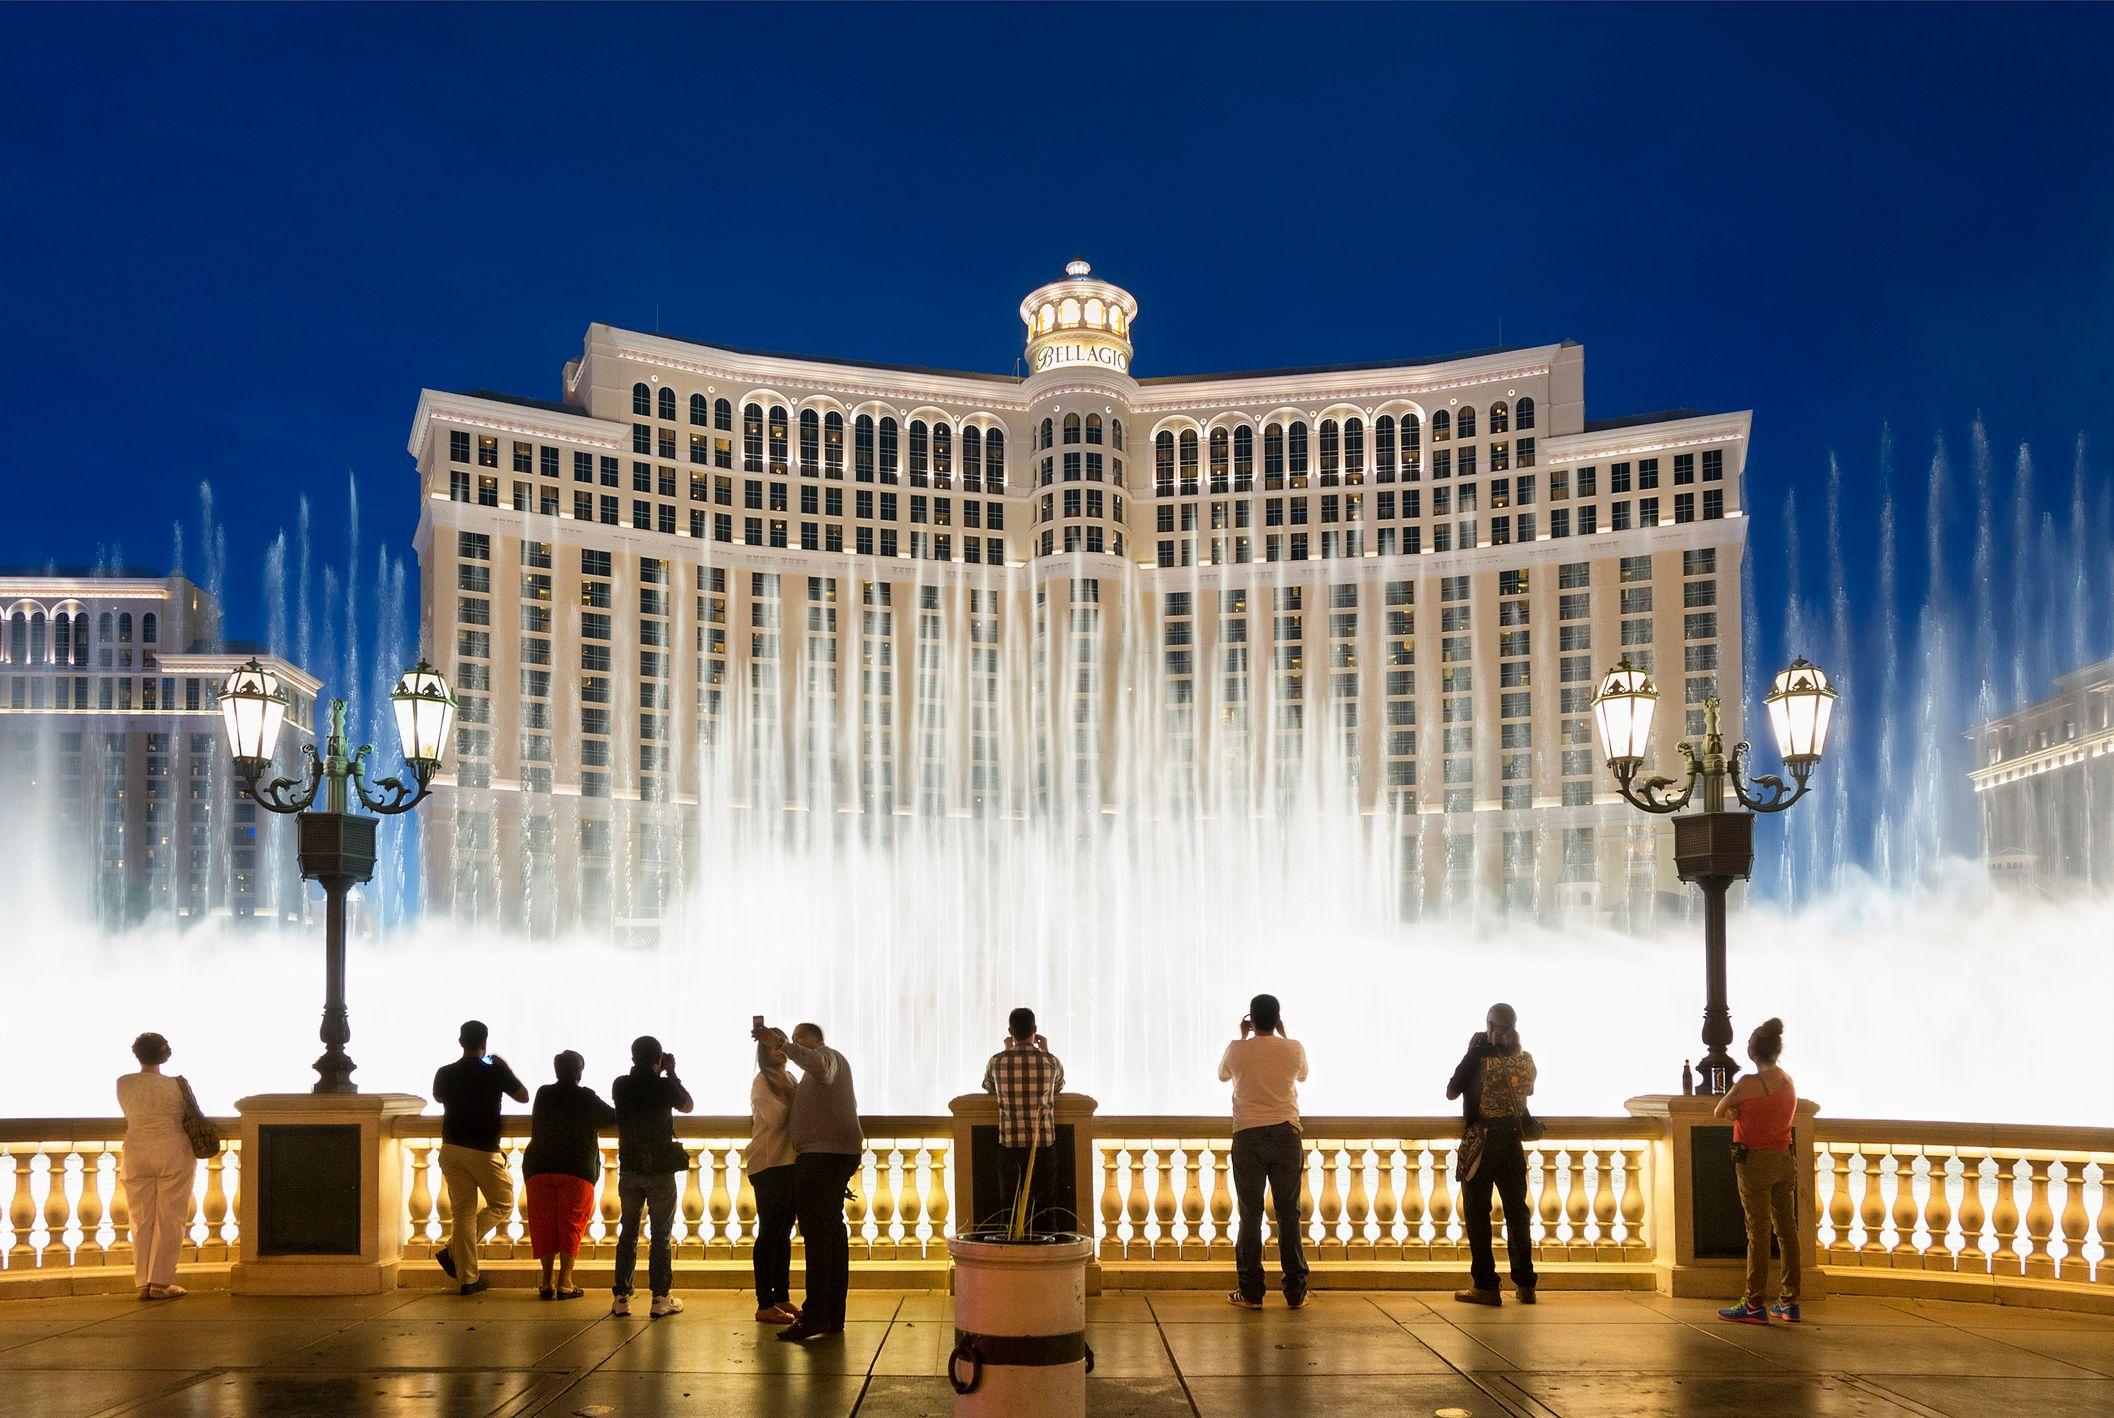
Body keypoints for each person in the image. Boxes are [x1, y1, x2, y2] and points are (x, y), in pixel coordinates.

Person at [752, 1020, 862, 1343]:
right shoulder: (805, 1075)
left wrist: (784, 1044)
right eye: (794, 1036)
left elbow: (820, 1067)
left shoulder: (828, 1059)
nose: (796, 1040)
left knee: (817, 1236)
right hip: (825, 1157)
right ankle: (830, 1315)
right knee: (828, 1233)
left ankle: (816, 1315)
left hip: (823, 1157)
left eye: (803, 1035)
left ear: (819, 1038)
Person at [1218, 993, 1309, 1310]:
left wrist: (1244, 1038)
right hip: (1286, 1134)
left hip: (1248, 1136)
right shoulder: (1293, 1047)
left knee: (1250, 1215)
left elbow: (1223, 1075)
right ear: (1278, 1019)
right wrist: (1283, 1035)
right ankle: (1295, 1292)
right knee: (1288, 1215)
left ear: (1251, 1019)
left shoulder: (1236, 1048)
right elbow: (1303, 1074)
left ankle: (1252, 1292)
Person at [1448, 1003, 1538, 1307]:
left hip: (1482, 1144)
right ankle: (1525, 1285)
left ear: (1489, 1025)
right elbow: (1525, 1097)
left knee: (1477, 1213)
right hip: (1512, 1143)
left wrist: (1473, 1051)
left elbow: (1452, 1089)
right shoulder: (1525, 1061)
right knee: (1517, 1214)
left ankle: (1486, 1285)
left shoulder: (1480, 1057)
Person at [1715, 1018, 1801, 1324]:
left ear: (1752, 1053)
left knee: (1758, 1232)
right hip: (1783, 1159)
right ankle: (1789, 1301)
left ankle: (1753, 1303)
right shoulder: (1788, 1081)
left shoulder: (1748, 1084)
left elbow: (1718, 1109)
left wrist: (1735, 1110)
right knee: (1787, 1230)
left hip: (1753, 1162)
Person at [432, 1020, 528, 1296]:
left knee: (462, 1211)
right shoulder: (494, 1073)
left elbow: (438, 1097)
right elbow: (523, 1096)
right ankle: (453, 1253)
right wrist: (505, 1068)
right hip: (483, 1149)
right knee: (503, 1203)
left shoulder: (445, 1073)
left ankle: (468, 1278)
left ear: (460, 1041)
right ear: (484, 1042)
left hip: (451, 1148)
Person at [522, 1050, 618, 1301]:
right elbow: (612, 1117)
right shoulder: (586, 1097)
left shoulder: (543, 1093)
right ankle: (565, 1281)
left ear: (556, 1071)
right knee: (570, 1224)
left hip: (539, 1166)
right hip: (576, 1169)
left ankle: (546, 1282)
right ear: (579, 1072)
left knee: (543, 1224)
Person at [611, 1035, 694, 1318]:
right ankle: (660, 1298)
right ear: (658, 1059)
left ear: (632, 1058)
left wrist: (659, 1070)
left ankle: (621, 1297)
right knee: (660, 1235)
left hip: (630, 1167)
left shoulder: (620, 1085)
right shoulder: (663, 1086)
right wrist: (670, 1072)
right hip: (659, 1169)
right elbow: (687, 1105)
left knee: (628, 1233)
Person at [116, 1033, 199, 1301]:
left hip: (137, 1151)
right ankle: (160, 1283)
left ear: (137, 1054)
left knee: (140, 1218)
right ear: (165, 1054)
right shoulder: (176, 1085)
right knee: (170, 1218)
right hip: (173, 1151)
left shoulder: (123, 1083)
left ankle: (142, 1283)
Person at [981, 1007, 1067, 1232]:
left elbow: (990, 1088)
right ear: (1035, 1031)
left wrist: (1007, 1051)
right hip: (1043, 1146)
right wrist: (1046, 1051)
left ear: (1010, 1032)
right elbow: (1057, 1088)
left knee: (1008, 1209)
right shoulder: (1051, 1062)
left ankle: (1010, 1260)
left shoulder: (997, 1062)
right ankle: (1047, 1261)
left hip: (1009, 1146)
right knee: (1046, 1210)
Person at [748, 1036, 800, 1324]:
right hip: (768, 1164)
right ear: (764, 1051)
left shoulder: (789, 1077)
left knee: (783, 1233)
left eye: (782, 1043)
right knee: (769, 1233)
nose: (780, 1049)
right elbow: (776, 1117)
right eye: (773, 1045)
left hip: (789, 1164)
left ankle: (781, 1296)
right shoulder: (762, 1081)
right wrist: (798, 1100)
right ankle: (764, 1302)